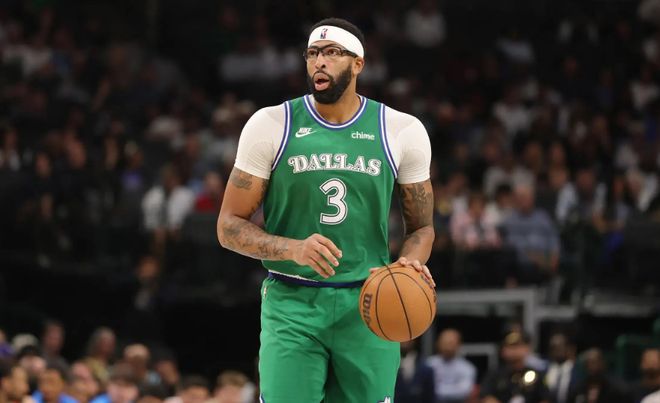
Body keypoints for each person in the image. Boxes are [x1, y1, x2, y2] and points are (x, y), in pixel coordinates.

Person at [217, 17, 435, 403]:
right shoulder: (271, 124)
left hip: (368, 302)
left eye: (332, 52)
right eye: (312, 53)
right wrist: (293, 249)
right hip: (292, 301)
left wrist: (408, 265)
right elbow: (228, 226)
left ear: (358, 64)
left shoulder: (401, 129)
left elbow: (422, 228)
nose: (319, 61)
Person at [480, 331, 551, 403]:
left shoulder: (536, 374)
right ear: (503, 350)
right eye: (509, 347)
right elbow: (486, 398)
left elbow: (545, 399)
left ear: (526, 348)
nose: (513, 351)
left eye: (517, 346)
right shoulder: (494, 375)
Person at [426, 328, 476, 403]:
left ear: (459, 345)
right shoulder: (429, 364)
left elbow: (464, 392)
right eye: (445, 343)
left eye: (451, 343)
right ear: (438, 343)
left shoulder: (467, 368)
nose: (448, 347)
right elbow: (424, 389)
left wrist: (435, 390)